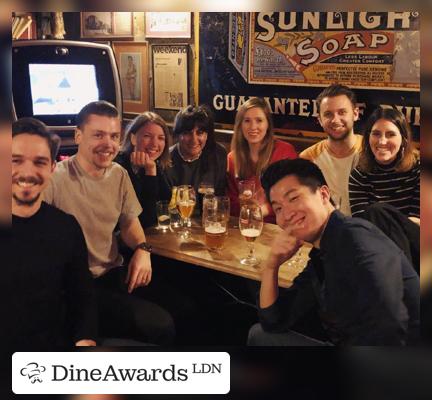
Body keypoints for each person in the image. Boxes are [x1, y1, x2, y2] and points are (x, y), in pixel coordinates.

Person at [43, 101, 175, 345]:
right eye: (98, 135)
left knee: (181, 309)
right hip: (72, 287)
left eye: (114, 136)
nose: (108, 144)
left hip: (112, 276)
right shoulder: (55, 178)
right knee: (160, 326)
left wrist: (143, 249)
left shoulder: (118, 174)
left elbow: (129, 222)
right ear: (78, 135)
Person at [248, 158, 419, 346]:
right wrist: (272, 265)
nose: (287, 214)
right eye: (278, 208)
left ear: (323, 194)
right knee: (260, 335)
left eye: (294, 198)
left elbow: (389, 329)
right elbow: (273, 321)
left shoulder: (357, 240)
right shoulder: (321, 254)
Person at [11, 117, 97, 348]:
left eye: (39, 162)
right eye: (15, 160)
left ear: (52, 168)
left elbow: (82, 297)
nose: (27, 172)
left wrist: (85, 339)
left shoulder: (66, 227)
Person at [348, 107, 420, 273]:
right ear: (368, 138)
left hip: (418, 246)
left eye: (390, 134)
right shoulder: (359, 175)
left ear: (404, 138)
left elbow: (418, 223)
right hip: (377, 248)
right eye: (376, 134)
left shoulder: (419, 169)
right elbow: (363, 227)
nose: (382, 141)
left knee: (378, 211)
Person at [227, 97, 297, 223]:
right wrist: (243, 205)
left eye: (259, 120)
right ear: (240, 125)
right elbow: (230, 202)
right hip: (245, 226)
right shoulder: (232, 158)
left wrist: (263, 210)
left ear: (268, 124)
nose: (253, 127)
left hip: (280, 226)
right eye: (247, 121)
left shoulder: (285, 152)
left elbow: (294, 196)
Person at [300, 84, 362, 215]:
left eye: (342, 112)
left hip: (368, 229)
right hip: (328, 229)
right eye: (328, 114)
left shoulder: (372, 150)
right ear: (320, 120)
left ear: (355, 114)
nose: (335, 120)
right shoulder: (308, 158)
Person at [165, 104, 227, 210]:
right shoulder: (165, 160)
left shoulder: (218, 154)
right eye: (187, 133)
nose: (194, 140)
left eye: (200, 132)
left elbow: (221, 196)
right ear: (178, 135)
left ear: (207, 135)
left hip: (209, 221)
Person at [116, 112, 171, 229]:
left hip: (154, 235)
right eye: (147, 136)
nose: (155, 143)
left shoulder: (157, 164)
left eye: (161, 138)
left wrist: (151, 168)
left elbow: (165, 205)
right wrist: (150, 171)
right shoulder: (118, 168)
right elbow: (146, 220)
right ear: (133, 138)